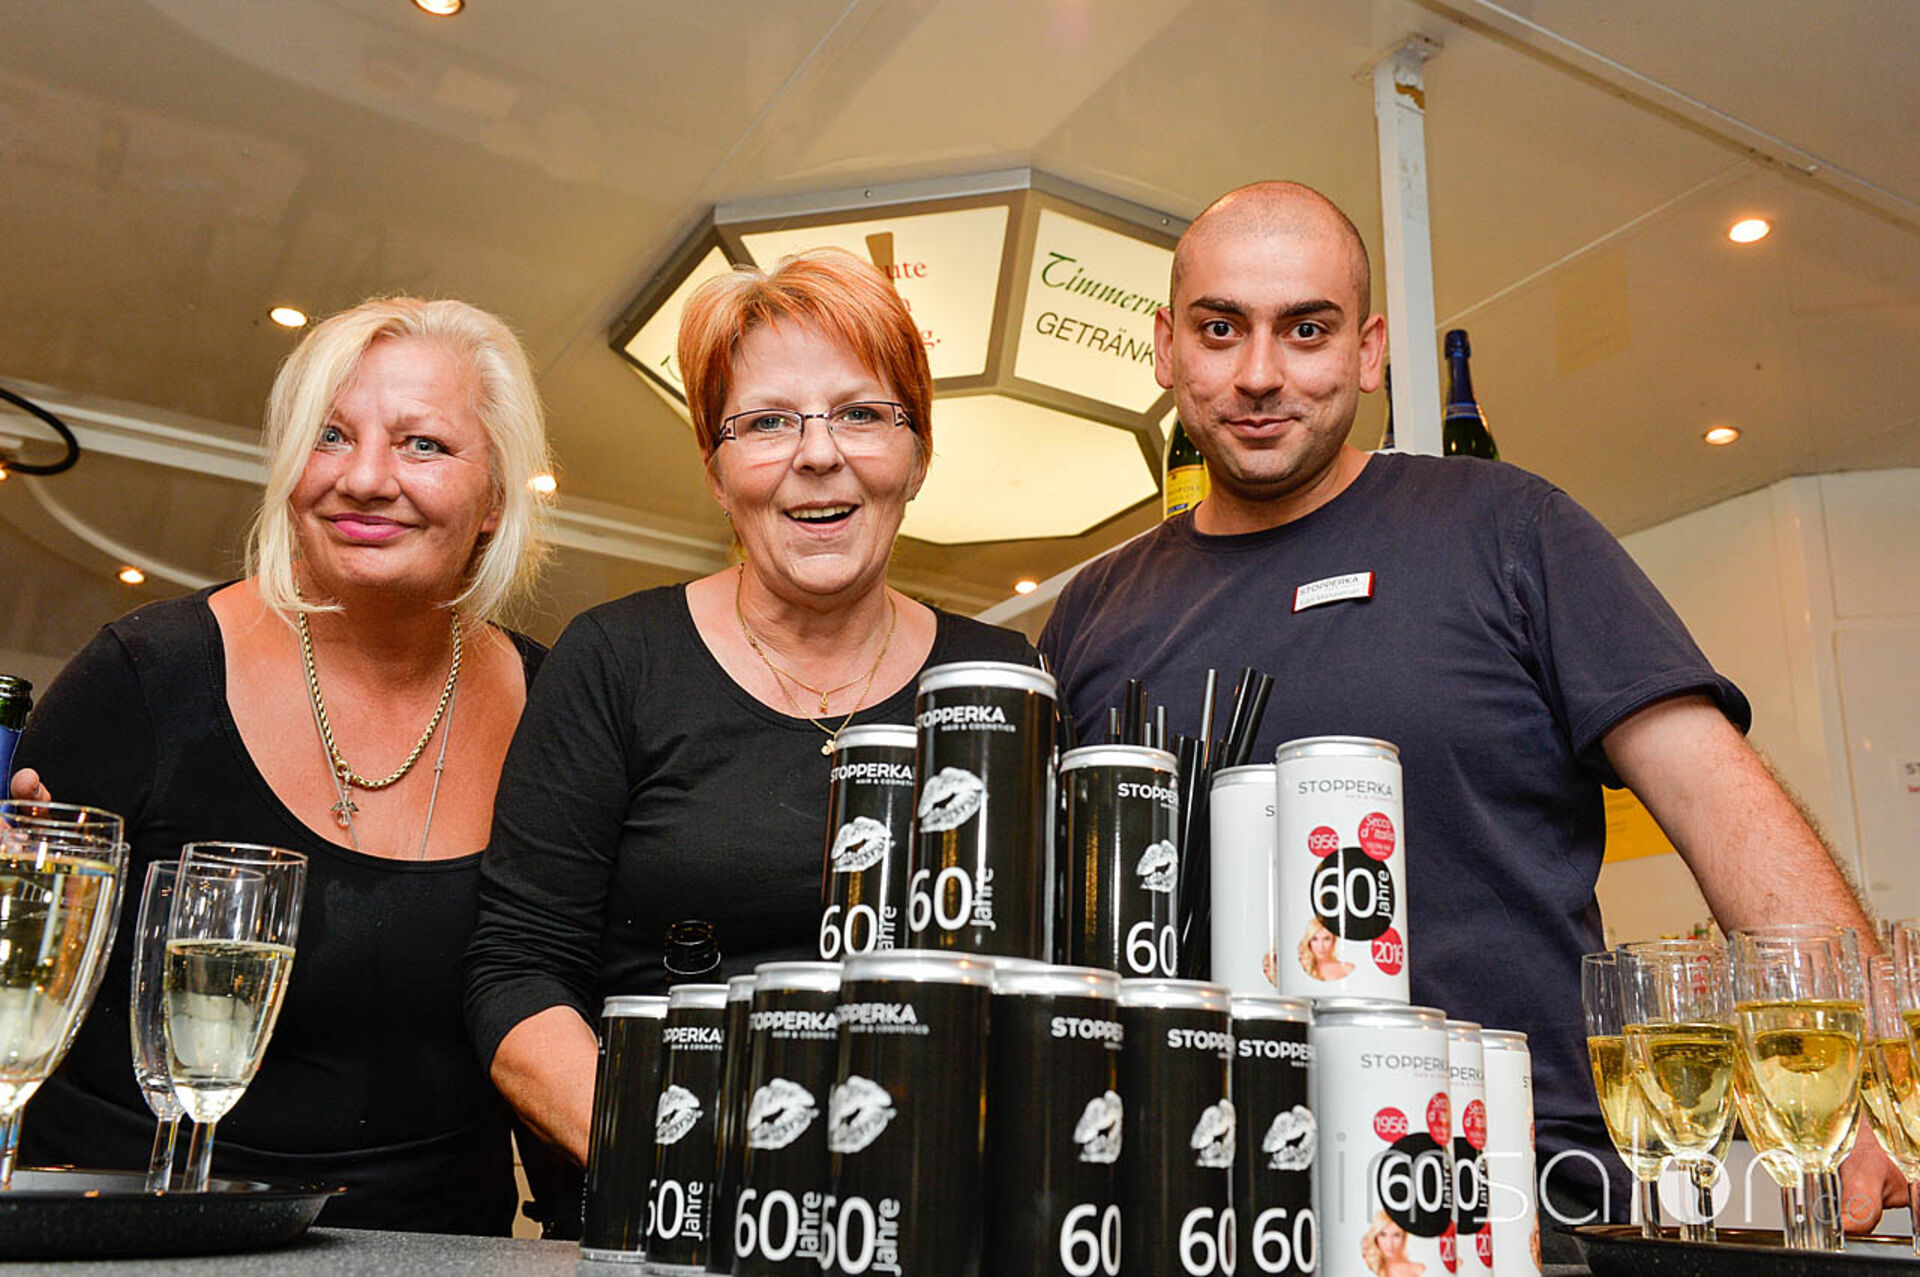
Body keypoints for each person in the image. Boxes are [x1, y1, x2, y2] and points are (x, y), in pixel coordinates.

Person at [1038, 181, 1899, 1245]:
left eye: (1306, 329)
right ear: (1165, 347)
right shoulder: (1093, 614)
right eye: (1221, 328)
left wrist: (1862, 1065)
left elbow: (1715, 797)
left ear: (1368, 352)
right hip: (1191, 1201)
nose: (1259, 372)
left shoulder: (1507, 529)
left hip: (1509, 1193)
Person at [465, 248, 1035, 1169]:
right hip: (670, 1197)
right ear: (716, 469)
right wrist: (679, 1161)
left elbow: (1039, 980)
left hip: (928, 1197)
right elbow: (518, 972)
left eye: (861, 413)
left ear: (919, 453)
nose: (819, 454)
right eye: (768, 422)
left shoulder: (1002, 675)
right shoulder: (617, 659)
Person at [10, 297, 552, 1234]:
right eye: (329, 436)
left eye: (423, 444)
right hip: (130, 1227)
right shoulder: (145, 675)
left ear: (496, 496)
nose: (364, 478)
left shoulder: (558, 708)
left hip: (431, 1247)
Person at [1299, 916, 1354, 982]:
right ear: (1309, 942)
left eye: (1326, 939)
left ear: (1334, 940)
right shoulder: (1304, 969)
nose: (1321, 946)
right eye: (1315, 939)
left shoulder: (1348, 969)